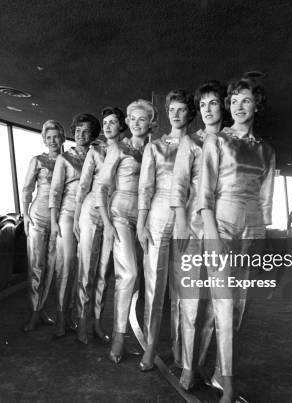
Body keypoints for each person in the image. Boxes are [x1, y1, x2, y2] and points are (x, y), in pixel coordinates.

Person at [197, 77, 275, 402]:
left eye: (244, 100)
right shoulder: (216, 141)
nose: (237, 107)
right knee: (224, 304)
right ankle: (228, 382)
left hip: (252, 232)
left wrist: (261, 237)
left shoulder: (267, 150)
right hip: (222, 228)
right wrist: (212, 236)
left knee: (236, 308)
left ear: (256, 104)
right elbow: (204, 195)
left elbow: (266, 199)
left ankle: (211, 369)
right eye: (233, 101)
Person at [170, 81, 227, 389]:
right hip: (193, 229)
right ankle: (189, 367)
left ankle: (207, 364)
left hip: (226, 231)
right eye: (202, 105)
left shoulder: (233, 142)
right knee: (192, 302)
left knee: (218, 306)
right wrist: (180, 223)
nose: (207, 109)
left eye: (213, 103)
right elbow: (178, 187)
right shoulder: (190, 142)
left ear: (224, 107)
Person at [137, 89, 196, 371]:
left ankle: (179, 349)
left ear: (190, 114)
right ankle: (150, 347)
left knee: (182, 286)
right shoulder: (154, 147)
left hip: (189, 217)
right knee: (154, 285)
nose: (175, 114)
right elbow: (145, 187)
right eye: (172, 109)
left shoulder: (200, 145)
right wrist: (140, 222)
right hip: (158, 214)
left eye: (181, 109)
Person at [96, 99, 154, 363]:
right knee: (128, 273)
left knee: (145, 278)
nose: (137, 123)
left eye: (143, 118)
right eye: (133, 118)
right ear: (128, 122)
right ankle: (119, 336)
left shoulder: (156, 149)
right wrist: (107, 224)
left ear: (151, 122)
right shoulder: (118, 148)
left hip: (148, 218)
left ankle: (145, 337)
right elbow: (102, 188)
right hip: (119, 215)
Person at [73, 107, 126, 344]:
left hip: (114, 213)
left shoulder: (128, 149)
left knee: (105, 271)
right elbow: (83, 186)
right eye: (105, 123)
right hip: (91, 210)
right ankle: (82, 322)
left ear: (121, 126)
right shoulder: (95, 150)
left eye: (112, 122)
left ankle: (97, 321)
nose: (107, 126)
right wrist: (75, 217)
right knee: (87, 269)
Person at [49, 113, 100, 337]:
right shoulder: (64, 158)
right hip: (68, 214)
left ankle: (82, 319)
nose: (80, 134)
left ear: (93, 135)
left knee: (86, 268)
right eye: (77, 130)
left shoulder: (98, 155)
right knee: (67, 265)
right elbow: (55, 192)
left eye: (86, 131)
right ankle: (62, 316)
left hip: (89, 215)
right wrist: (53, 222)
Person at [21, 120, 64, 332]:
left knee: (52, 266)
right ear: (44, 141)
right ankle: (33, 313)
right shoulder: (37, 161)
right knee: (35, 265)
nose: (52, 141)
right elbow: (27, 189)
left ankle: (42, 310)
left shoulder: (68, 161)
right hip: (38, 215)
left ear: (62, 137)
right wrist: (24, 214)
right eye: (48, 138)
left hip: (60, 218)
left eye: (56, 136)